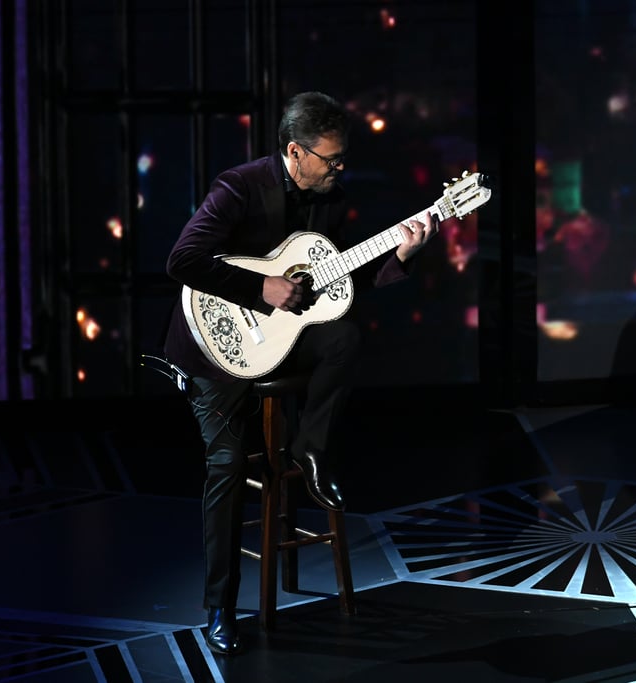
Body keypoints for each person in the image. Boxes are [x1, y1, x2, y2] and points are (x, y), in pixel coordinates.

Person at [162, 91, 439, 655]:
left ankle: (311, 451)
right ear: (295, 151)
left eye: (343, 159)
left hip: (281, 341)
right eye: (331, 159)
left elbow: (336, 290)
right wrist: (260, 287)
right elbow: (182, 260)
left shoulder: (331, 202)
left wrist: (401, 257)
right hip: (213, 343)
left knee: (344, 335)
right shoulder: (237, 187)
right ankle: (220, 606)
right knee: (228, 465)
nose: (340, 169)